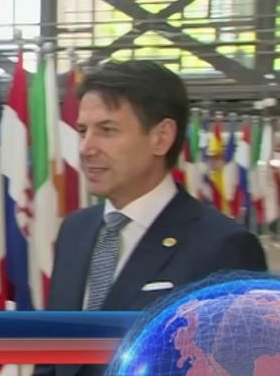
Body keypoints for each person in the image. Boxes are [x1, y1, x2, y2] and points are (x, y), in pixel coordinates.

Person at [36, 61, 267, 376]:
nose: (87, 148)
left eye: (107, 130)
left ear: (161, 137)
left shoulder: (224, 247)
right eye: (82, 131)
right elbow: (52, 357)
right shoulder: (75, 230)